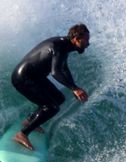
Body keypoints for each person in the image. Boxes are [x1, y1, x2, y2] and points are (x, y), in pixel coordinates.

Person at [11, 23, 90, 152]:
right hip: (24, 78)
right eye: (86, 40)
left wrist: (74, 87)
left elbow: (63, 67)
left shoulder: (65, 45)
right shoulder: (59, 47)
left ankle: (30, 121)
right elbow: (55, 72)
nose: (88, 43)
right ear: (76, 39)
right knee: (52, 107)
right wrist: (74, 89)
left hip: (36, 77)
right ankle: (22, 134)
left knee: (59, 98)